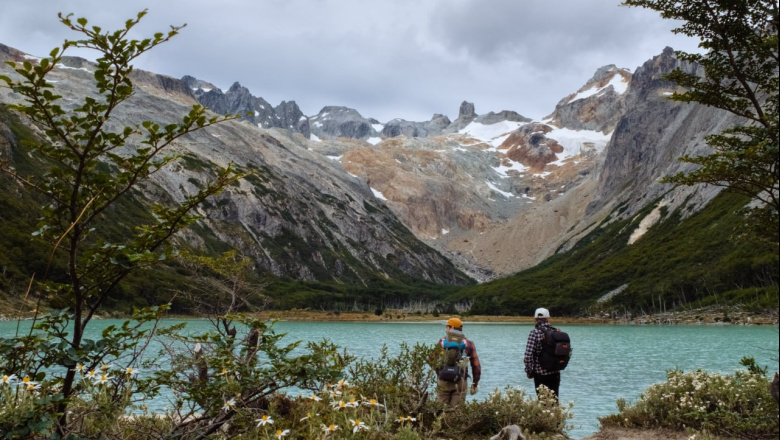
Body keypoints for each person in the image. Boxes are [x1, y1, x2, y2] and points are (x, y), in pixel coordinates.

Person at [435, 317, 481, 407]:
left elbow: (431, 360)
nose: (446, 329)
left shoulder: (442, 341)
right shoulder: (469, 343)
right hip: (461, 381)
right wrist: (475, 383)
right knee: (456, 412)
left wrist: (440, 373)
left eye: (447, 326)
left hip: (443, 380)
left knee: (439, 411)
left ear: (451, 327)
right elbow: (476, 366)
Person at [524, 307, 560, 400]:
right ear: (548, 318)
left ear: (535, 319)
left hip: (540, 373)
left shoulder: (534, 333)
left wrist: (529, 372)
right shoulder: (556, 332)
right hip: (555, 373)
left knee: (543, 402)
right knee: (554, 401)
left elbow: (528, 356)